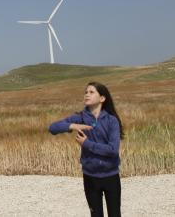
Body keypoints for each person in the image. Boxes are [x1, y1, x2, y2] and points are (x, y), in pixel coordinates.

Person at [48, 82, 124, 217]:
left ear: (102, 98)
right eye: (86, 92)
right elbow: (53, 128)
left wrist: (87, 144)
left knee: (115, 214)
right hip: (90, 176)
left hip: (111, 176)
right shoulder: (81, 118)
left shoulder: (111, 121)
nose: (87, 94)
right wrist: (72, 125)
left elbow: (113, 150)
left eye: (91, 92)